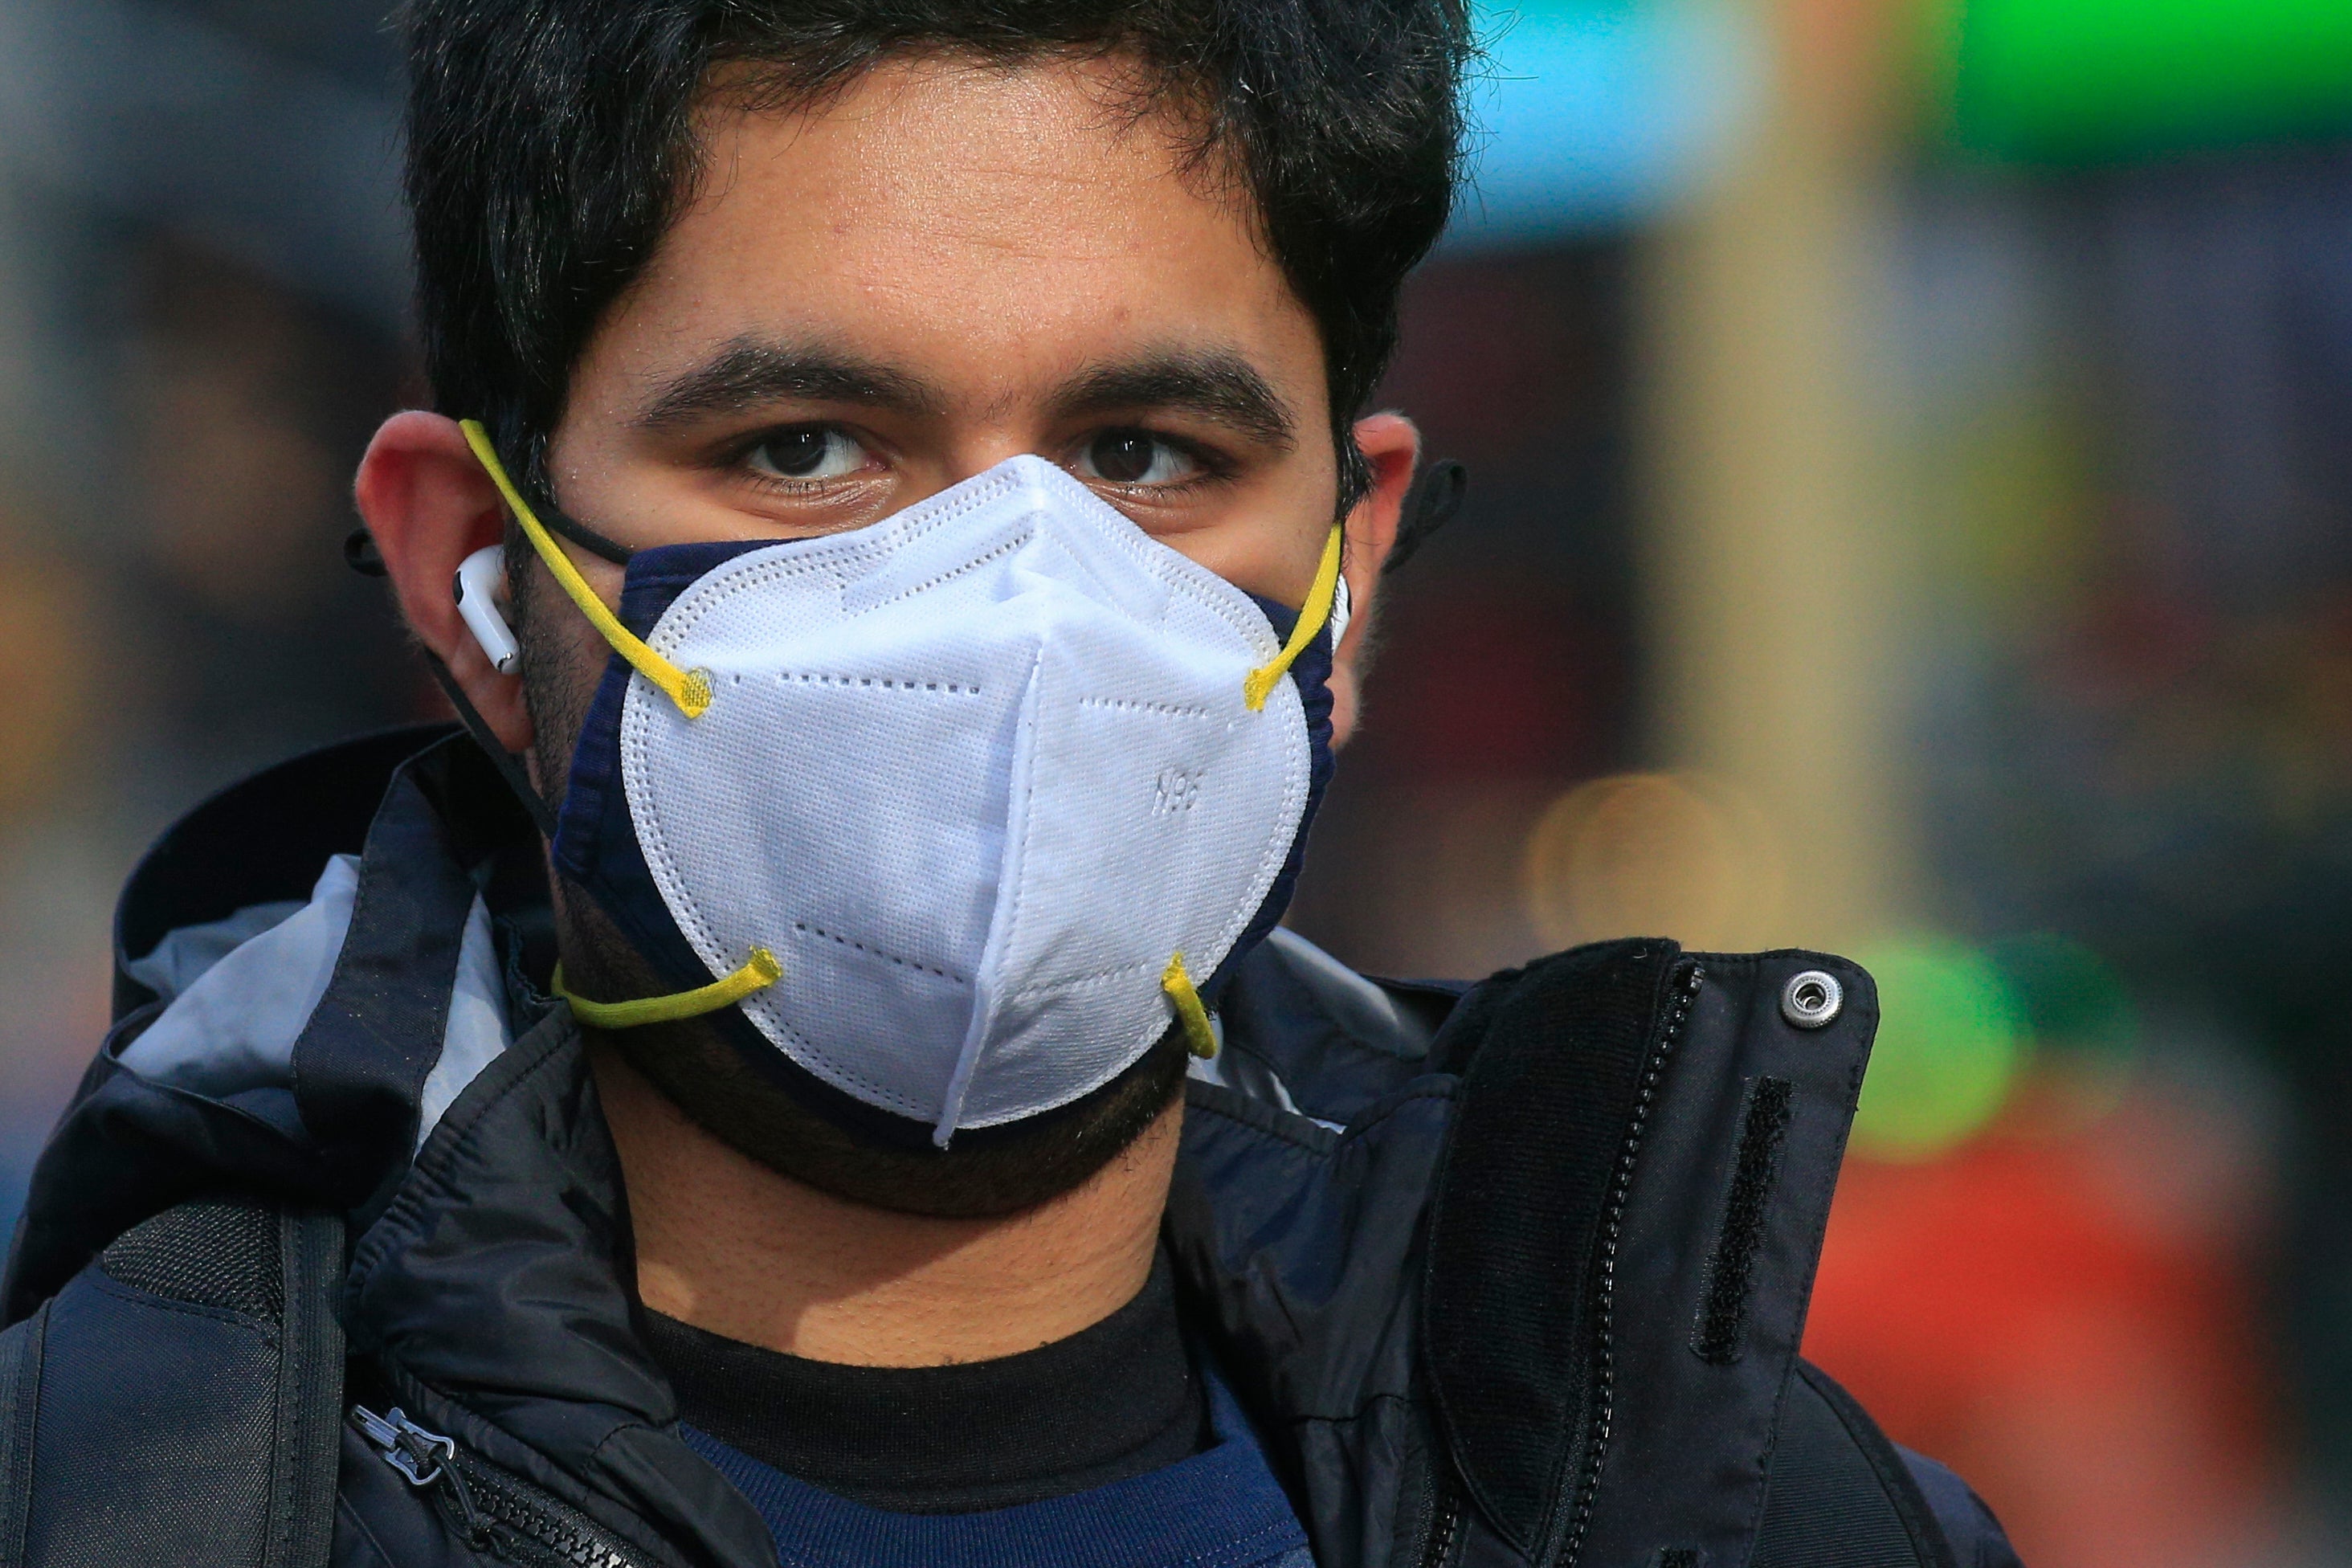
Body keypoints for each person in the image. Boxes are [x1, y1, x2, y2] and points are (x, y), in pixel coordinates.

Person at [0, 3, 2022, 1566]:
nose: (1022, 612)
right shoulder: (115, 1502)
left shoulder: (1749, 1514)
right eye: (805, 447)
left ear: (1352, 568)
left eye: (1145, 451)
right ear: (469, 572)